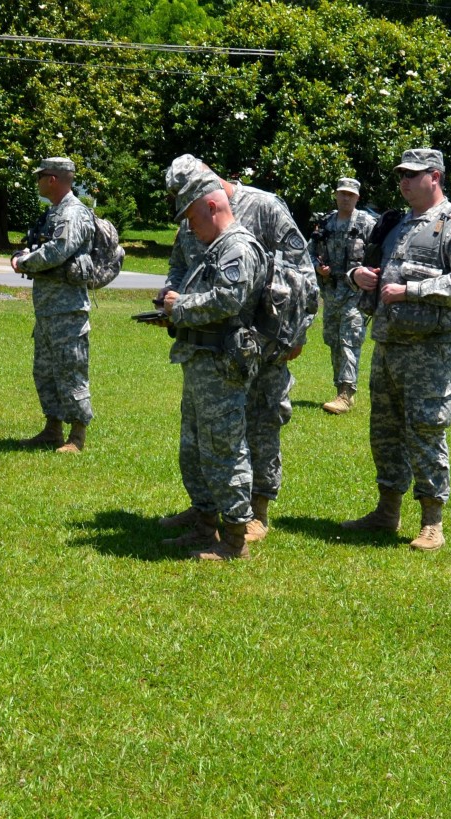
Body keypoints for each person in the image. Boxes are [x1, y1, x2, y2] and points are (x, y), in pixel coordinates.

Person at [156, 155, 317, 545]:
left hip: (263, 340)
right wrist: (168, 296)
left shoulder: (263, 208)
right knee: (208, 434)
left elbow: (302, 276)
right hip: (212, 342)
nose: (184, 213)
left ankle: (253, 512)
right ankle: (206, 510)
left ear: (208, 184)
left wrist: (295, 334)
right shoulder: (195, 217)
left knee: (260, 424)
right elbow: (180, 265)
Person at [342, 148, 451, 552]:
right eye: (402, 175)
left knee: (426, 432)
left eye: (414, 174)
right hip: (388, 346)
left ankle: (432, 522)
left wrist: (413, 291)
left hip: (430, 352)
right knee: (385, 433)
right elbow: (375, 271)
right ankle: (387, 511)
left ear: (435, 176)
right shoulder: (395, 224)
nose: (405, 181)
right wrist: (360, 276)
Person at [155, 163, 267, 560]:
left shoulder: (237, 247)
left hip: (221, 363)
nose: (189, 225)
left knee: (224, 448)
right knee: (196, 447)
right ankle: (204, 527)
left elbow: (228, 300)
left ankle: (234, 541)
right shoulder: (214, 247)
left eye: (191, 215)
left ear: (212, 206)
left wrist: (179, 307)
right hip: (200, 359)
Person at [11, 157, 95, 453]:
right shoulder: (54, 212)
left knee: (71, 370)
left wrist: (23, 262)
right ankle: (52, 429)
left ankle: (77, 436)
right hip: (48, 310)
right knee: (45, 371)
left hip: (68, 310)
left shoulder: (73, 214)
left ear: (53, 179)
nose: (37, 182)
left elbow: (58, 250)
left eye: (40, 176)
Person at [309, 178, 377, 414]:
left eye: (351, 194)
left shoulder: (367, 223)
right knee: (334, 340)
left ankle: (346, 394)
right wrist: (318, 268)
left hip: (355, 292)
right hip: (331, 291)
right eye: (342, 194)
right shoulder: (325, 223)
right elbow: (309, 254)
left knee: (349, 337)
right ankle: (340, 388)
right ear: (336, 195)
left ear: (357, 197)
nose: (346, 198)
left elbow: (378, 256)